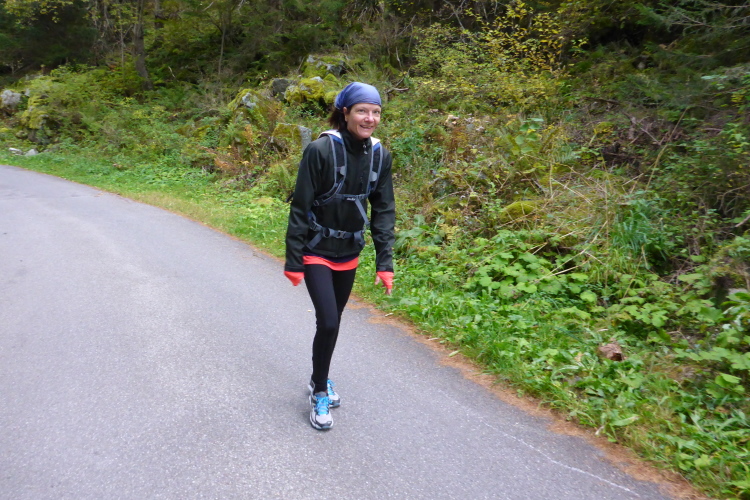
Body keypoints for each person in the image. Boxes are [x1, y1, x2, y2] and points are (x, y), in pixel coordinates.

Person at [284, 82, 396, 430]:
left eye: (376, 112)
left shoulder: (380, 155)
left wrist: (385, 263)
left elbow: (384, 211)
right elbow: (300, 206)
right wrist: (293, 258)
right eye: (362, 111)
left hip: (349, 252)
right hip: (316, 251)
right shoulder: (320, 150)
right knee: (329, 321)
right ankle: (319, 391)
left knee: (331, 323)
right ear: (345, 112)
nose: (370, 118)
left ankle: (319, 377)